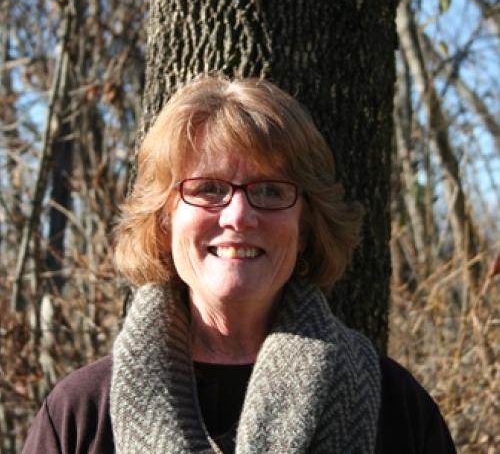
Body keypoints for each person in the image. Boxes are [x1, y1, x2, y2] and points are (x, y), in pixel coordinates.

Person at [23, 76, 456, 453]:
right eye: (209, 188)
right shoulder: (81, 415)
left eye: (269, 190)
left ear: (306, 224)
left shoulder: (396, 409)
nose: (238, 216)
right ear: (164, 218)